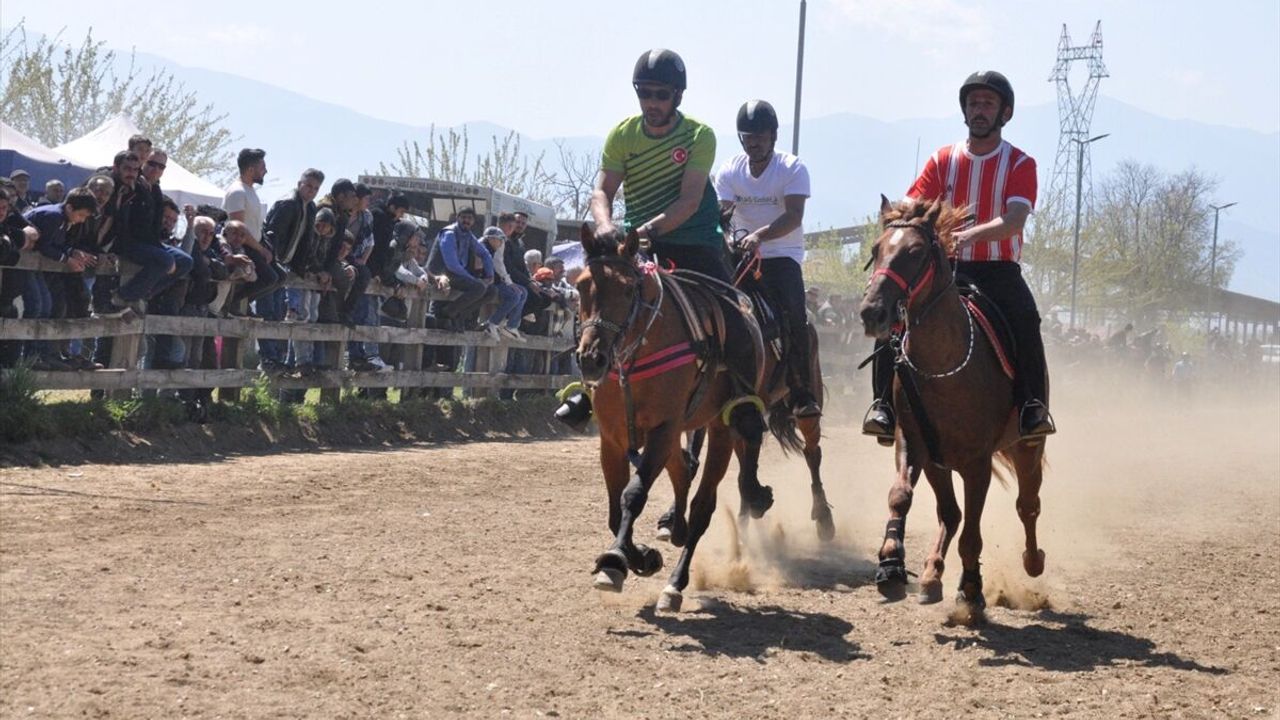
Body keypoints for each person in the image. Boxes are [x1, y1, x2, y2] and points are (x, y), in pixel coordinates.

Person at [558, 48, 763, 438]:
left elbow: (688, 201)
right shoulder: (623, 135)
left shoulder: (699, 136)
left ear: (678, 96)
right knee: (598, 301)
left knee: (735, 318)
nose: (651, 102)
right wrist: (605, 224)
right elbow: (602, 191)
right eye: (644, 93)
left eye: (660, 95)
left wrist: (647, 231)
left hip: (694, 242)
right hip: (637, 244)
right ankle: (588, 390)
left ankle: (743, 400)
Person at [862, 70, 1055, 442]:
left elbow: (1014, 220)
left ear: (1005, 113)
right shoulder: (942, 160)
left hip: (998, 271)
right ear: (964, 110)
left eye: (988, 103)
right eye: (973, 103)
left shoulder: (1020, 163)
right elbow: (912, 207)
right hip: (946, 269)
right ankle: (883, 406)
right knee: (893, 315)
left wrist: (966, 236)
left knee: (1026, 319)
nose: (979, 110)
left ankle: (1032, 407)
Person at [714, 98, 821, 417]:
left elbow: (794, 216)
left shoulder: (792, 168)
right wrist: (728, 240)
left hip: (781, 255)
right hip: (740, 254)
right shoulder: (729, 170)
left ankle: (801, 391)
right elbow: (723, 215)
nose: (754, 142)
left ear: (773, 136)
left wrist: (759, 236)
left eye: (760, 136)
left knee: (795, 313)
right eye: (748, 136)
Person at [479, 225, 528, 342]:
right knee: (514, 295)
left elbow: (499, 263)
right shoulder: (480, 247)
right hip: (484, 281)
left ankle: (511, 326)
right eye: (499, 240)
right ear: (491, 239)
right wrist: (507, 283)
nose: (502, 243)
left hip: (495, 280)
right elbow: (490, 265)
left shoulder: (497, 247)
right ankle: (492, 323)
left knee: (523, 292)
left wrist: (509, 282)